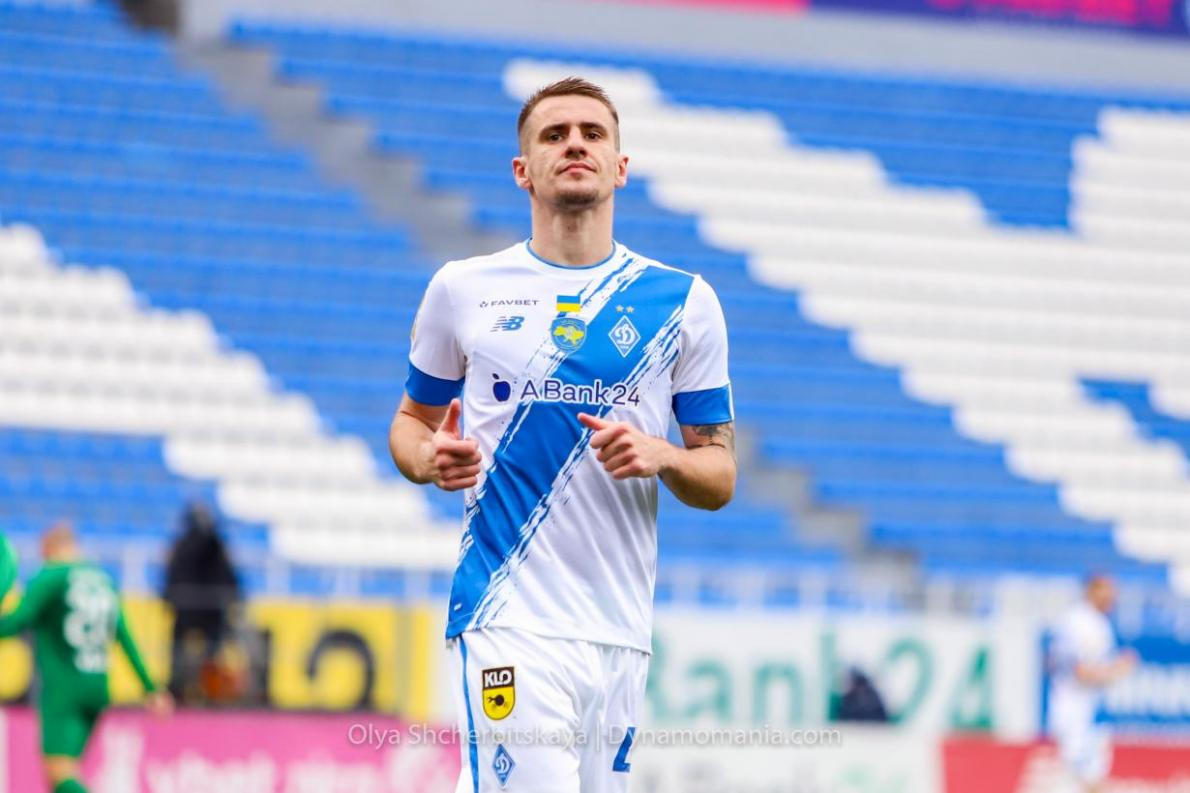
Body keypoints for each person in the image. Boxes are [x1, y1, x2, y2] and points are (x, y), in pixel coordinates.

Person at [389, 77, 736, 792]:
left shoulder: (684, 302)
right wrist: (428, 458)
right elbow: (411, 422)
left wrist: (663, 455)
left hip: (619, 632)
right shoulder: (463, 289)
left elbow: (719, 472)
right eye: (554, 134)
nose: (575, 144)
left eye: (592, 133)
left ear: (621, 166)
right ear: (523, 170)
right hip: (507, 616)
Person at [0, 522, 172, 793]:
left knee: (60, 773)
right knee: (67, 771)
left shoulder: (51, 577)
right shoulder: (103, 580)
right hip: (97, 686)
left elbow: (18, 621)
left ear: (48, 548)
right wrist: (151, 687)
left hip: (63, 688)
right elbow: (123, 635)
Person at [1047, 574, 1138, 793]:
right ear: (1091, 590)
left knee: (1089, 779)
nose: (1113, 596)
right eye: (1107, 590)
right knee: (1084, 781)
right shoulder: (1077, 622)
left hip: (1090, 712)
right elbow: (1079, 671)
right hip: (1074, 713)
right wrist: (1118, 668)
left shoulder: (1099, 623)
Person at [161, 502, 240, 702]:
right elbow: (232, 581)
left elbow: (171, 578)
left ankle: (205, 687)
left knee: (209, 648)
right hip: (198, 610)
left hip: (205, 611)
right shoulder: (214, 546)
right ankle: (185, 686)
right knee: (187, 646)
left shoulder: (192, 546)